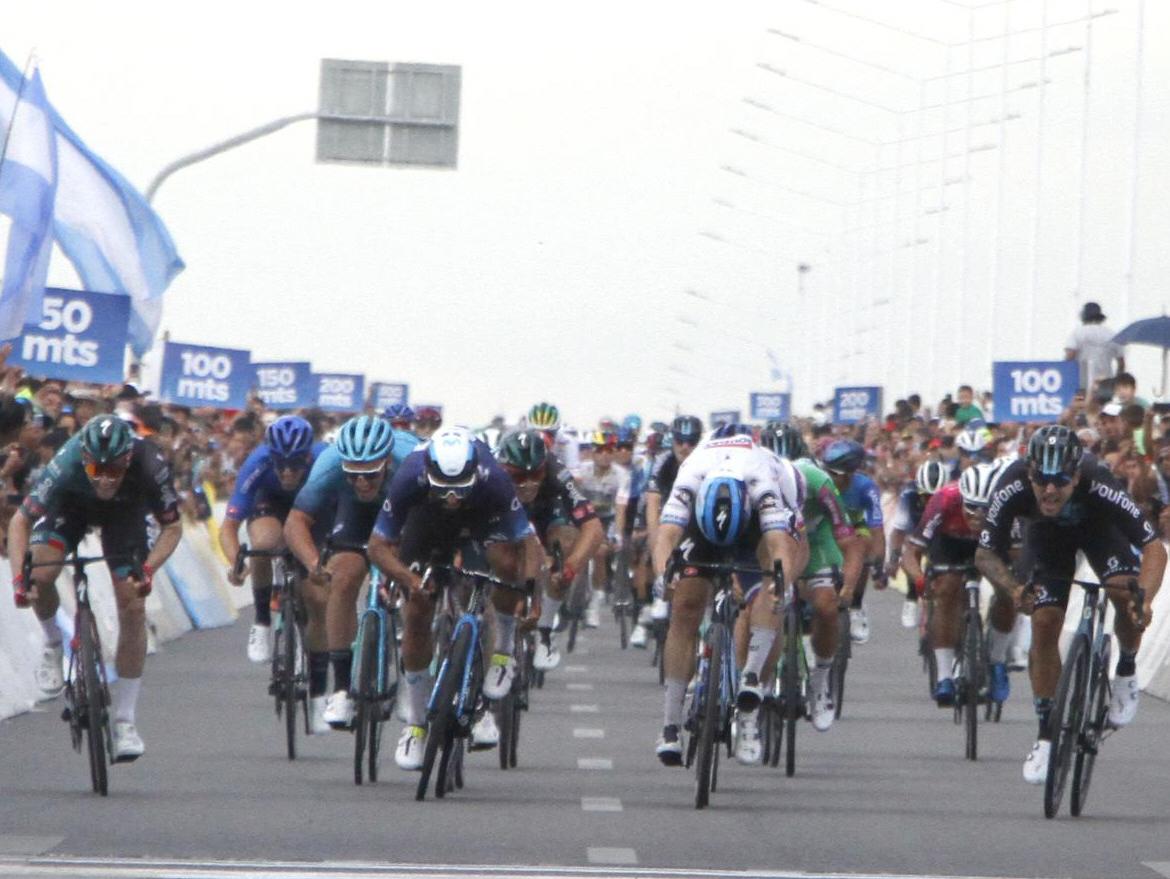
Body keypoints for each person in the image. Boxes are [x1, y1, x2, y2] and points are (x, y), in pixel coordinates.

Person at [975, 425, 1164, 785]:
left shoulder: (1098, 480)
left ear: (1076, 475)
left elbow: (1153, 547)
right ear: (1029, 471)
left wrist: (1146, 599)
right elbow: (984, 553)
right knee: (1044, 621)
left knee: (1126, 595)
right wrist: (1013, 588)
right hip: (1046, 542)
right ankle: (1046, 734)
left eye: (1060, 480)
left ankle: (1126, 668)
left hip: (1100, 531)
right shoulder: (1012, 481)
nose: (1049, 490)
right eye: (1041, 480)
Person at [7, 415, 183, 762]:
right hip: (70, 508)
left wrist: (148, 569)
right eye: (95, 469)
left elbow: (173, 527)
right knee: (40, 572)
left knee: (132, 602)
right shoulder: (67, 461)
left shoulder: (150, 462)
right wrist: (18, 580)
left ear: (128, 460)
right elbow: (20, 521)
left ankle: (125, 722)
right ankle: (52, 645)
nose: (104, 478)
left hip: (125, 514)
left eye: (114, 470)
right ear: (84, 458)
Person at [367, 427, 542, 771]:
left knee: (493, 577)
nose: (451, 497)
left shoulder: (494, 478)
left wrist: (532, 593)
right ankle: (415, 725)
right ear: (428, 473)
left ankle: (488, 684)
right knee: (417, 611)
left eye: (459, 489)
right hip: (425, 520)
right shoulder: (410, 476)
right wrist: (410, 579)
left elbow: (527, 542)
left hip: (480, 518)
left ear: (475, 473)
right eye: (444, 489)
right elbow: (377, 547)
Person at [650, 431, 804, 765]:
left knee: (774, 584)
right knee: (685, 607)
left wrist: (783, 581)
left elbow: (779, 544)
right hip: (703, 530)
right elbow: (666, 536)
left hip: (754, 528)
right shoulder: (690, 475)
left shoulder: (763, 481)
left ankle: (752, 681)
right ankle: (670, 726)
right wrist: (663, 574)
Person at [283, 415, 416, 729]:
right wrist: (313, 563)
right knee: (342, 577)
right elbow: (295, 522)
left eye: (370, 474)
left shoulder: (411, 463)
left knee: (413, 585)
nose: (362, 483)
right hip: (354, 512)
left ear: (386, 461)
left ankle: (411, 680)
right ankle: (342, 689)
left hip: (405, 511)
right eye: (353, 475)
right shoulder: (329, 465)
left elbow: (429, 523)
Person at [496, 427, 604, 670]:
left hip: (546, 510)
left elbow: (593, 529)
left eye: (536, 474)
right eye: (518, 476)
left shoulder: (557, 471)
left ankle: (545, 629)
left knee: (566, 542)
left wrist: (569, 568)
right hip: (506, 510)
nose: (528, 483)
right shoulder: (491, 473)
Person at [1065, 301, 1124, 399]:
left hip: (1082, 383)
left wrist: (1067, 377)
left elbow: (1070, 355)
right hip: (1106, 384)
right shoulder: (1112, 335)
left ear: (1084, 317)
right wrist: (1116, 383)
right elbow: (1121, 363)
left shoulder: (1078, 333)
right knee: (1104, 407)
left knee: (1083, 406)